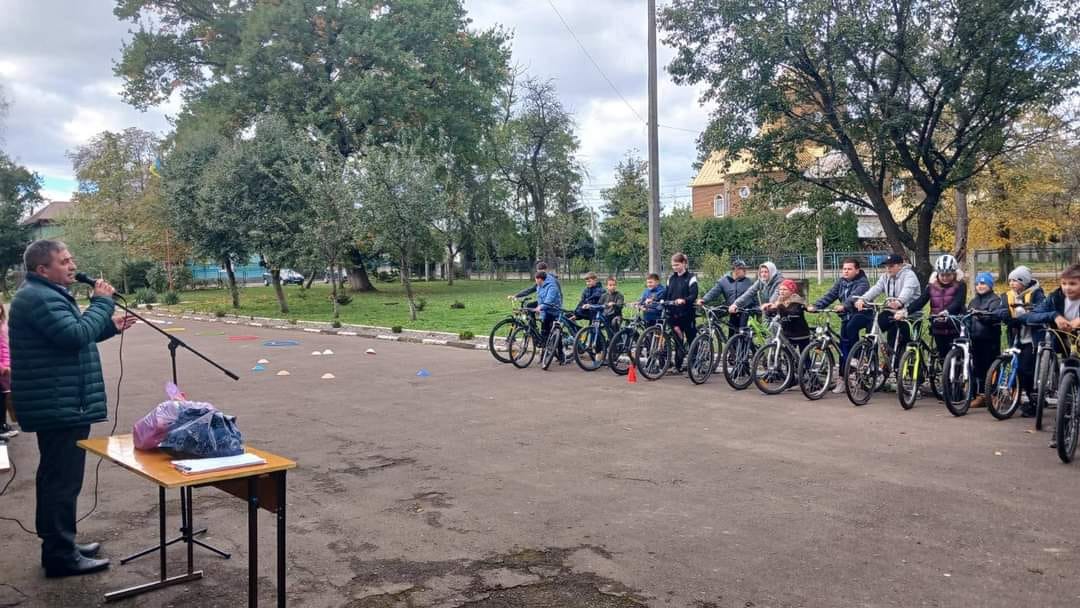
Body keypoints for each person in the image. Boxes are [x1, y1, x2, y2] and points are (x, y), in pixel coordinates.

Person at [8, 239, 136, 578]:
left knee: (60, 479)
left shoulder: (46, 295)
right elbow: (73, 336)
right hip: (58, 403)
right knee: (61, 482)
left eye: (71, 259)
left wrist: (108, 326)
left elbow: (68, 340)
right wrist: (102, 304)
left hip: (63, 401)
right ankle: (60, 555)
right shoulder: (37, 298)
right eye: (64, 261)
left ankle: (62, 545)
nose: (71, 266)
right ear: (42, 270)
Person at [1024, 263, 1080, 447]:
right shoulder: (1056, 297)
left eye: (1073, 284)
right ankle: (1061, 431)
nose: (1067, 288)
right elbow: (1032, 316)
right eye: (1064, 283)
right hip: (1066, 347)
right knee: (1067, 387)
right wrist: (1054, 316)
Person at [808, 257, 871, 392]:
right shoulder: (841, 282)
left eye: (849, 269)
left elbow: (854, 297)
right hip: (846, 316)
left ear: (857, 270)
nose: (846, 271)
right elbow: (830, 295)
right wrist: (816, 306)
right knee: (842, 346)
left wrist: (844, 305)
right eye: (844, 269)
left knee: (850, 329)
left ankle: (856, 358)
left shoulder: (863, 283)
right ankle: (843, 379)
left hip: (862, 315)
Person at [855, 253, 921, 370]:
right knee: (872, 326)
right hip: (891, 311)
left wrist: (899, 302)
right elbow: (876, 288)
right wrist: (863, 299)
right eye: (886, 266)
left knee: (904, 341)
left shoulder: (909, 276)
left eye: (891, 266)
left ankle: (908, 371)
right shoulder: (885, 277)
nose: (888, 269)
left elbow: (907, 290)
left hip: (909, 312)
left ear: (900, 265)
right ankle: (872, 363)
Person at [997, 266, 1045, 416]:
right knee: (1017, 367)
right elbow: (1000, 309)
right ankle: (1020, 394)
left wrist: (1026, 313)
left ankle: (1033, 399)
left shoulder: (1036, 293)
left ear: (1024, 282)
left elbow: (1040, 309)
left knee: (1026, 368)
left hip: (1032, 339)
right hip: (1016, 337)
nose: (1011, 283)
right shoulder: (1007, 296)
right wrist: (1004, 314)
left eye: (1016, 281)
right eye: (1010, 280)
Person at [904, 254, 967, 361]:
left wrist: (946, 312)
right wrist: (905, 311)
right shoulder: (931, 287)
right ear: (937, 274)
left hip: (955, 325)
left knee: (954, 358)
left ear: (954, 274)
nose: (945, 278)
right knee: (942, 356)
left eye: (948, 275)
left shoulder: (960, 285)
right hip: (938, 326)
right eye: (942, 275)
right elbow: (921, 301)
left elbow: (958, 302)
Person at [968, 272, 1003, 408]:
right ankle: (981, 395)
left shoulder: (995, 300)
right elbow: (968, 316)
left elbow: (994, 317)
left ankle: (994, 395)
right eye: (977, 283)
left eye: (983, 283)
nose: (980, 286)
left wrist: (980, 315)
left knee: (992, 368)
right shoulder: (974, 301)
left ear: (989, 285)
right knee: (978, 368)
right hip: (976, 339)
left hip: (990, 339)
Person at [698, 258, 753, 334]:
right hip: (731, 310)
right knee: (731, 334)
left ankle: (745, 344)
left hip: (744, 311)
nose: (746, 272)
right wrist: (704, 299)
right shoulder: (724, 281)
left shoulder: (748, 282)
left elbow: (753, 296)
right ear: (736, 270)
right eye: (744, 270)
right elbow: (714, 292)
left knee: (742, 333)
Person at [665, 253, 699, 368]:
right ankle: (678, 366)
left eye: (677, 265)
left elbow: (693, 295)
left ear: (684, 263)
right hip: (674, 314)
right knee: (678, 340)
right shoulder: (671, 278)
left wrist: (684, 300)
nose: (675, 268)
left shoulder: (691, 278)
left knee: (691, 339)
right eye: (673, 265)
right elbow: (666, 294)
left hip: (687, 313)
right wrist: (654, 300)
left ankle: (696, 365)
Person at [764, 279, 812, 355]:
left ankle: (806, 366)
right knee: (789, 357)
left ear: (791, 291)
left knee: (804, 358)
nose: (781, 291)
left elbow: (793, 312)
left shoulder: (797, 301)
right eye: (780, 289)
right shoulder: (780, 301)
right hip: (788, 335)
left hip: (801, 334)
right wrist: (770, 309)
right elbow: (770, 314)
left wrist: (780, 306)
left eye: (785, 289)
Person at [533, 270, 564, 363]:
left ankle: (561, 356)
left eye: (536, 279)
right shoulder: (539, 287)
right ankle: (543, 356)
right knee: (544, 334)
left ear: (540, 279)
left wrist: (540, 307)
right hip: (546, 312)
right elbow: (540, 299)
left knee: (557, 335)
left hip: (555, 312)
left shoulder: (552, 287)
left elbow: (549, 300)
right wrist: (540, 309)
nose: (536, 281)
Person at [0, 294, 14, 441]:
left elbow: (5, 347)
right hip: (1, 369)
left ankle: (3, 424)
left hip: (5, 368)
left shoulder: (2, 324)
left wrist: (8, 364)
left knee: (5, 396)